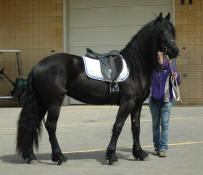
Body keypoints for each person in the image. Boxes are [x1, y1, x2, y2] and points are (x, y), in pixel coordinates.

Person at [149, 51, 181, 157]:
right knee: (155, 125)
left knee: (165, 125)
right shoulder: (152, 68)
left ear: (165, 56)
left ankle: (163, 148)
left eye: (161, 54)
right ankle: (156, 147)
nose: (158, 56)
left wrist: (176, 77)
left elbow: (178, 81)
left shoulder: (170, 68)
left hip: (166, 102)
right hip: (153, 101)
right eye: (157, 54)